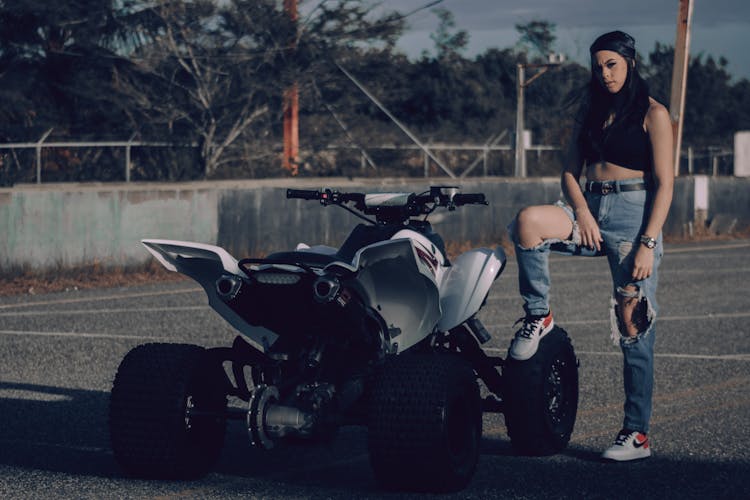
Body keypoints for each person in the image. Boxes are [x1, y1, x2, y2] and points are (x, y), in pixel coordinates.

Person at [506, 30, 674, 461]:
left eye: (612, 64)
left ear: (630, 63)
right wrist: (581, 212)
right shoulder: (590, 111)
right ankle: (539, 316)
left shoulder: (653, 114)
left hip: (634, 216)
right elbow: (568, 171)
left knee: (633, 328)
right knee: (528, 223)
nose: (604, 73)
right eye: (598, 66)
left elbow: (665, 184)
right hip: (587, 209)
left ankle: (636, 435)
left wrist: (647, 243)